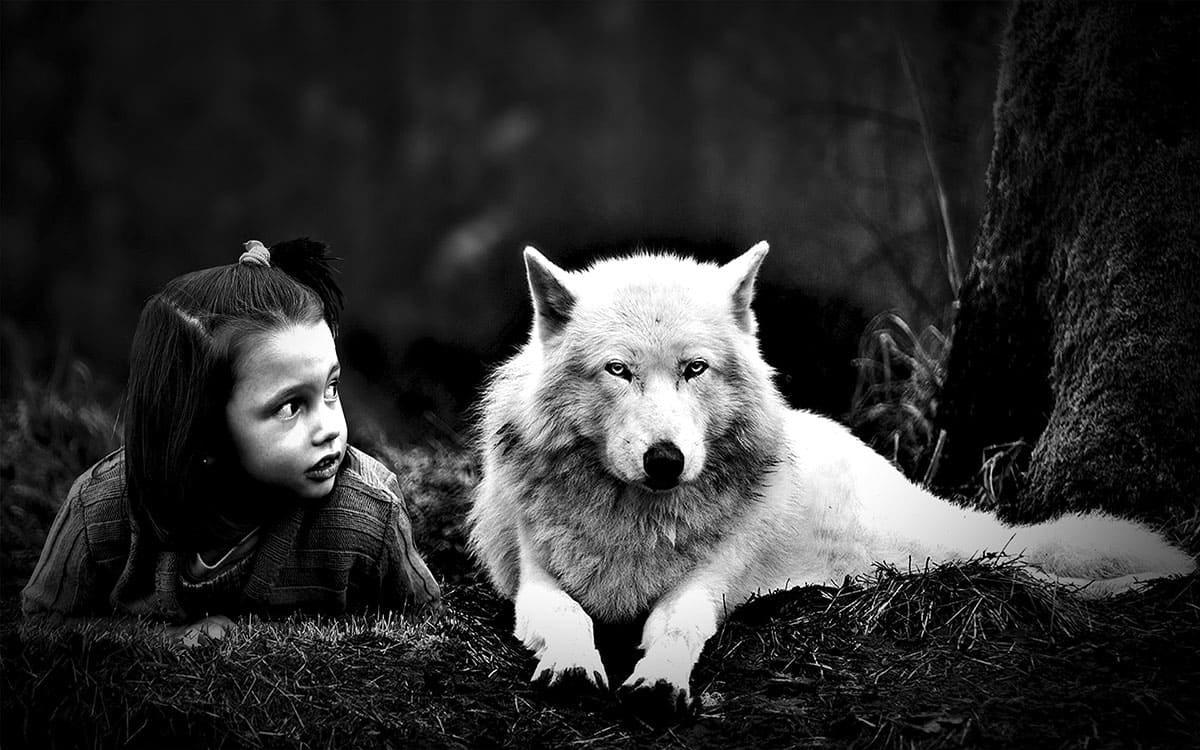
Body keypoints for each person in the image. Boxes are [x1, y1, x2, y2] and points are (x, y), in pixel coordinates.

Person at [21, 238, 441, 644]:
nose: (330, 427)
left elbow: (425, 623)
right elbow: (40, 623)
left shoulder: (366, 515)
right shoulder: (101, 510)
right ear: (200, 424)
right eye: (291, 406)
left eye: (331, 388)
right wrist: (161, 638)